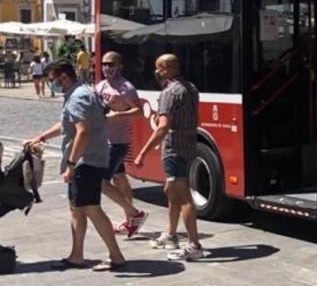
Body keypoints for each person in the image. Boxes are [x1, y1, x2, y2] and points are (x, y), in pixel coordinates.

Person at [25, 60, 126, 271]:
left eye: (52, 80)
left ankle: (116, 256)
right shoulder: (79, 93)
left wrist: (71, 164)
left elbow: (83, 131)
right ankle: (76, 255)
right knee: (76, 209)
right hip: (88, 159)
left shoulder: (79, 97)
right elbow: (66, 123)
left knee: (91, 208)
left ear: (63, 77)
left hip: (85, 161)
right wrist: (42, 137)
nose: (51, 84)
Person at [134, 54, 204, 260]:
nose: (156, 72)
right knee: (171, 190)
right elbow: (195, 119)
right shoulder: (190, 88)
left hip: (174, 150)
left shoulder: (169, 93)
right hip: (189, 146)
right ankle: (171, 234)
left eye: (158, 68)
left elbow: (162, 127)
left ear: (165, 69)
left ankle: (194, 244)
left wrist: (142, 153)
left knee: (182, 196)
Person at [94, 51, 148, 237]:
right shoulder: (100, 85)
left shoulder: (126, 87)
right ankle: (129, 220)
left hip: (117, 142)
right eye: (104, 63)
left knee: (101, 181)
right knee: (120, 178)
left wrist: (119, 115)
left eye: (111, 64)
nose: (107, 67)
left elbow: (139, 112)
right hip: (104, 140)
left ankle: (135, 214)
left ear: (120, 66)